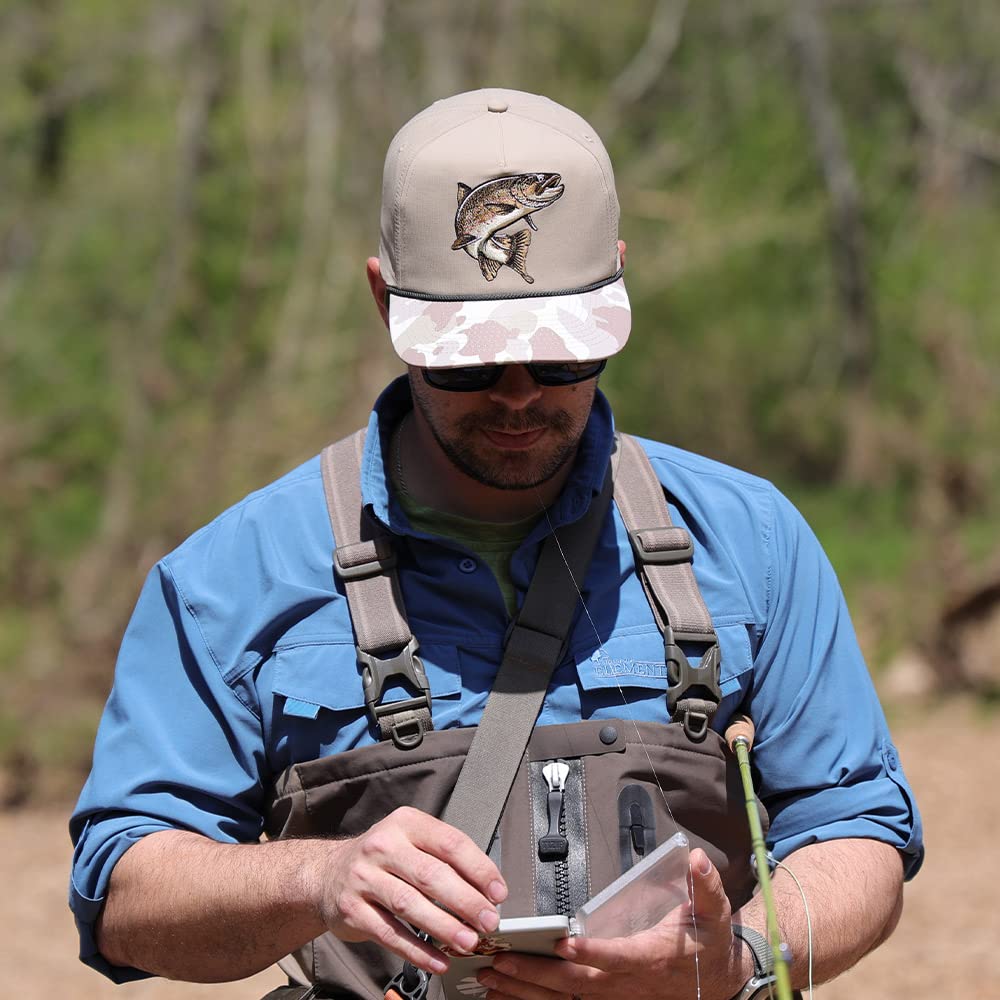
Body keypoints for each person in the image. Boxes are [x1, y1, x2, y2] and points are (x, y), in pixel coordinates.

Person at [70, 89, 922, 1000]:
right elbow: (124, 893)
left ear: (619, 284)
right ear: (382, 299)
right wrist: (318, 880)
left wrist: (739, 961)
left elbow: (855, 831)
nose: (518, 395)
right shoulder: (229, 577)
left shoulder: (750, 540)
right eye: (469, 361)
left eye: (561, 355)